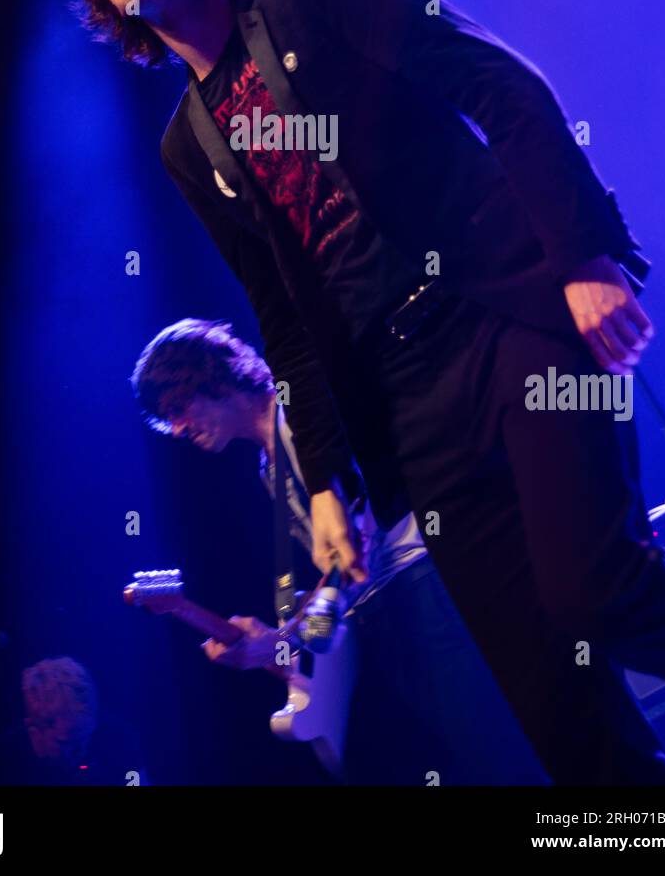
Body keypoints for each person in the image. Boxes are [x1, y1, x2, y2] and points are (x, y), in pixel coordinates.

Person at [58, 0, 665, 784]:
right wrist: (325, 479)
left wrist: (580, 256)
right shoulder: (185, 145)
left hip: (504, 315)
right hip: (406, 410)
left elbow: (498, 83)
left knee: (597, 589)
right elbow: (281, 315)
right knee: (547, 697)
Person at [130, 316, 546, 784]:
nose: (178, 428)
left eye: (176, 406)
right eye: (168, 421)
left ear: (208, 376)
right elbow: (335, 578)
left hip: (423, 584)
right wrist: (283, 638)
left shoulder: (303, 421)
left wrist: (286, 638)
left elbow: (357, 547)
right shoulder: (269, 468)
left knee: (504, 751)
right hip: (386, 609)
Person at [0, 656, 148, 786]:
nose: (82, 750)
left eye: (87, 736)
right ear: (34, 731)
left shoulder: (119, 738)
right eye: (66, 743)